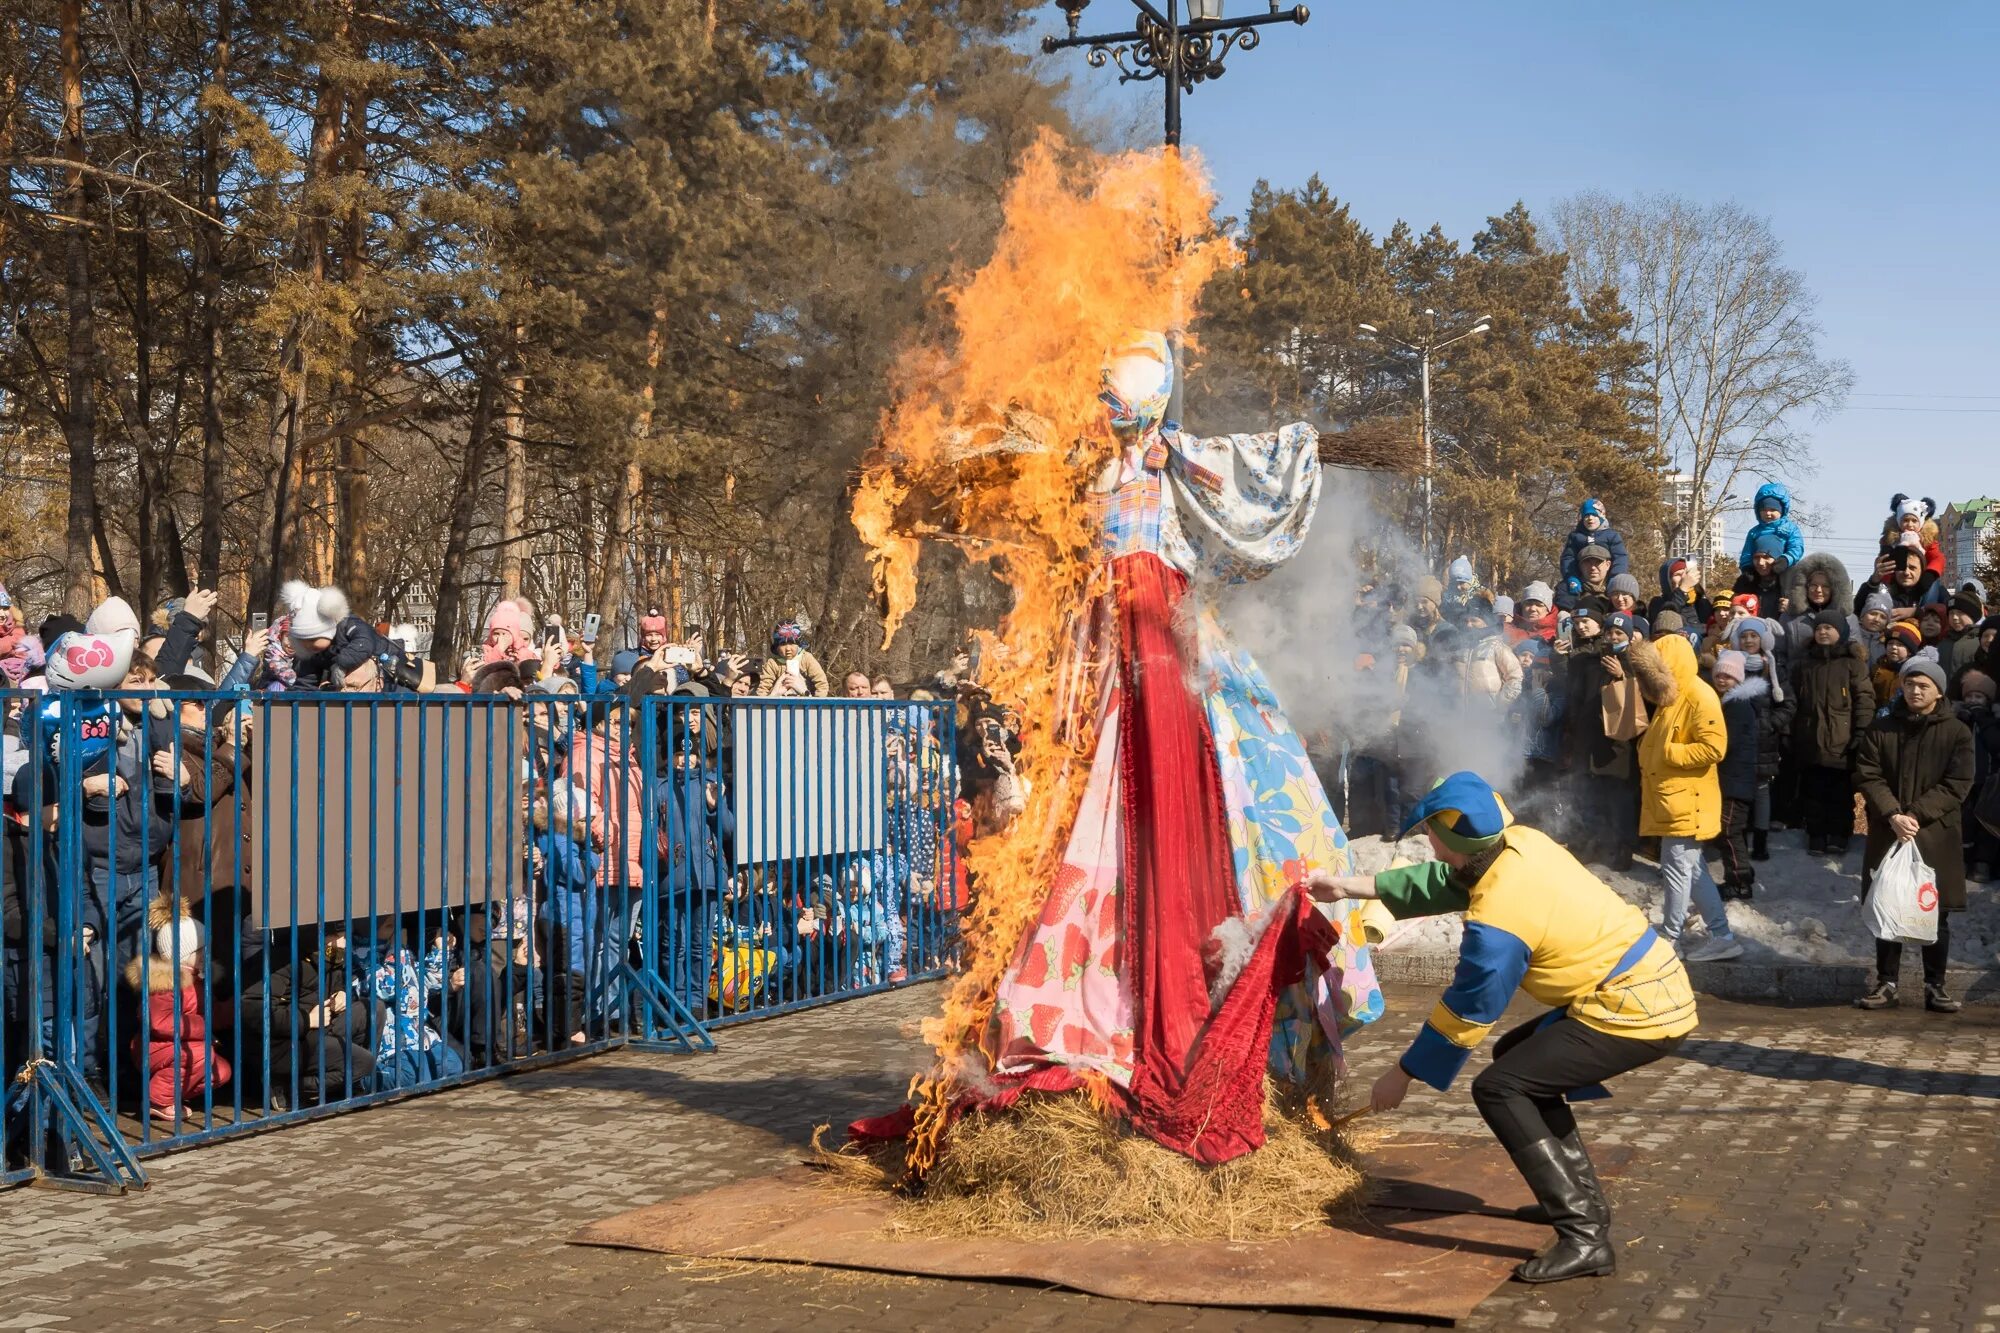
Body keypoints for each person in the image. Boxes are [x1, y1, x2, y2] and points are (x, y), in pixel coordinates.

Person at [1308, 772, 1696, 1284]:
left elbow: (1473, 1005)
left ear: (1455, 836)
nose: (1430, 843)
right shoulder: (1517, 844)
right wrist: (1350, 887)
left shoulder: (1501, 914)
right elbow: (1449, 882)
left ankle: (1583, 1236)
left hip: (1637, 1011)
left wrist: (1402, 1073)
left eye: (1432, 833)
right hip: (1642, 988)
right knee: (1518, 1057)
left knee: (1501, 1088)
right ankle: (1581, 1205)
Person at [1851, 659, 1975, 1012]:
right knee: (1887, 905)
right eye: (1910, 685)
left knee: (1934, 911)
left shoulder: (1957, 732)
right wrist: (1892, 814)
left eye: (1923, 685)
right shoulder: (1881, 728)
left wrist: (1915, 815)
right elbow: (1867, 774)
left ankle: (1935, 985)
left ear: (1939, 690)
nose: (1916, 691)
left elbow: (1957, 783)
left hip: (1934, 833)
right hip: (1888, 831)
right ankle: (1886, 982)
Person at [1634, 632, 1743, 959]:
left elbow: (1714, 747)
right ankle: (1722, 936)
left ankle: (1670, 938)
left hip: (1688, 802)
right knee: (1692, 873)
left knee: (1678, 872)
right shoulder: (1673, 697)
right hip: (1673, 800)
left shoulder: (1699, 696)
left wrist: (1669, 753)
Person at [123, 905, 232, 1116]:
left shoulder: (198, 979)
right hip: (156, 1048)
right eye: (199, 951)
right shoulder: (165, 984)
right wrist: (204, 1024)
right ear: (182, 954)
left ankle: (172, 1093)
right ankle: (157, 1099)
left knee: (222, 1071)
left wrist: (235, 1009)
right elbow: (160, 1023)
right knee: (201, 1055)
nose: (205, 955)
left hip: (182, 1049)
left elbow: (214, 1012)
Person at [1790, 610, 1874, 856]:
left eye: (1829, 628)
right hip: (1810, 739)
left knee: (1840, 793)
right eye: (1819, 628)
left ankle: (1839, 834)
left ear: (1842, 632)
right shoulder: (1805, 665)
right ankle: (1816, 834)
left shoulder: (1853, 664)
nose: (1823, 632)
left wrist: (1860, 733)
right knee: (1813, 791)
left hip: (1842, 742)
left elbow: (1865, 700)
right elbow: (1794, 700)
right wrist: (1790, 733)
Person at [1708, 651, 1760, 900]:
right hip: (1730, 778)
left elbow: (1725, 743)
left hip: (1735, 780)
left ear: (1738, 679)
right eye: (1719, 674)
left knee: (1729, 830)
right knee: (1730, 830)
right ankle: (1740, 875)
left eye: (1728, 675)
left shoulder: (1737, 706)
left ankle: (1740, 882)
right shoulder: (1727, 702)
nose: (1722, 679)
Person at [1736, 481, 1805, 572]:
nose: (1768, 513)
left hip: (1784, 571)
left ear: (1782, 510)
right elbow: (1747, 552)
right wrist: (1747, 567)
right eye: (1764, 510)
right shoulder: (1754, 532)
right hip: (1760, 572)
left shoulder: (1790, 528)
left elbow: (1796, 547)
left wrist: (1786, 559)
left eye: (1773, 510)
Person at [1560, 499, 1630, 583]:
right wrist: (1572, 577)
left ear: (1601, 517)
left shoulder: (1612, 536)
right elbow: (1568, 558)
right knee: (1564, 591)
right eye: (1586, 516)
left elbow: (1620, 557)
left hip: (1606, 579)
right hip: (1581, 579)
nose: (1590, 518)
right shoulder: (1575, 537)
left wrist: (1615, 577)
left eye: (1594, 515)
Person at [1877, 495, 1945, 578]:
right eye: (1906, 520)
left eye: (1914, 521)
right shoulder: (1889, 540)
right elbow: (1885, 563)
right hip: (1897, 579)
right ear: (1898, 521)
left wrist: (1929, 575)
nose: (1910, 525)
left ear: (1921, 522)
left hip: (1922, 578)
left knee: (1936, 589)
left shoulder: (1928, 540)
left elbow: (1937, 558)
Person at [755, 621, 830, 697]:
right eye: (783, 644)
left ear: (798, 644)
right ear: (777, 647)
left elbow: (821, 683)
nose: (788, 648)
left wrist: (817, 704)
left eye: (791, 643)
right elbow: (763, 688)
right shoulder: (772, 663)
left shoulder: (806, 658)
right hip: (779, 705)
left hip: (805, 704)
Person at [1648, 557, 1714, 633]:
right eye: (1678, 575)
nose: (1683, 578)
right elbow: (1665, 621)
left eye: (1686, 574)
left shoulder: (1701, 602)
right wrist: (1682, 590)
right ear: (1668, 580)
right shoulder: (1658, 603)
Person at [1556, 545, 1613, 614]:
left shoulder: (1616, 590)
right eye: (1587, 562)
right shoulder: (1567, 589)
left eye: (1598, 562)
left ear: (1608, 565)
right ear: (1580, 566)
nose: (1593, 567)